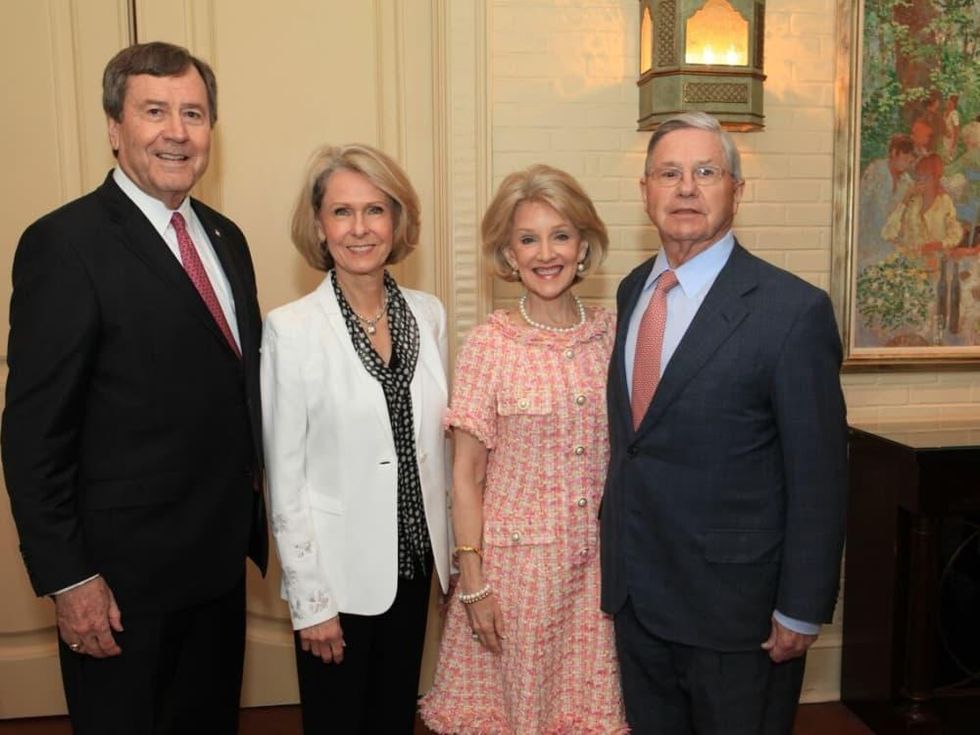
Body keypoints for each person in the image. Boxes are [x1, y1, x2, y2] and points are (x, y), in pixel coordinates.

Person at [1, 42, 267, 734]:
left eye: (193, 114)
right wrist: (70, 578)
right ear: (115, 128)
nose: (177, 132)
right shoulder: (65, 244)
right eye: (154, 112)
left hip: (217, 570)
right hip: (120, 588)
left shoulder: (226, 238)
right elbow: (33, 437)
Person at [601, 112, 847, 735]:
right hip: (637, 600)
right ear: (645, 191)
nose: (686, 188)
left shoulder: (792, 312)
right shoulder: (633, 291)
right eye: (669, 173)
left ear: (737, 189)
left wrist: (801, 607)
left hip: (739, 615)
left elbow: (819, 476)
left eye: (706, 172)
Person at [421, 164, 628, 734]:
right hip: (517, 579)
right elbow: (466, 474)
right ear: (509, 254)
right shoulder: (489, 346)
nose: (546, 254)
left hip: (601, 577)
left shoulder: (614, 336)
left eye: (560, 235)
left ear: (583, 245)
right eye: (528, 239)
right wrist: (473, 580)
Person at [261, 143, 452, 733]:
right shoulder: (291, 329)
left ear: (397, 221)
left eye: (375, 210)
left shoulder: (429, 314)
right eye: (342, 212)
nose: (360, 228)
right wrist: (310, 602)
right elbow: (285, 480)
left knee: (394, 719)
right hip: (338, 579)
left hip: (415, 565)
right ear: (320, 226)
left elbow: (438, 449)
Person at [882, 152, 962, 265]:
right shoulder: (912, 201)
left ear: (936, 177)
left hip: (935, 263)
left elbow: (956, 234)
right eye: (918, 177)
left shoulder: (944, 202)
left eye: (925, 177)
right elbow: (888, 233)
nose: (920, 181)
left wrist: (939, 244)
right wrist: (905, 200)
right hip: (908, 263)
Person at [857, 133, 915, 269]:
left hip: (889, 241)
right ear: (894, 153)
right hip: (867, 238)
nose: (907, 163)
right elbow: (863, 204)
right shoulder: (876, 170)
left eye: (910, 160)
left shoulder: (906, 181)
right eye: (905, 158)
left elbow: (903, 217)